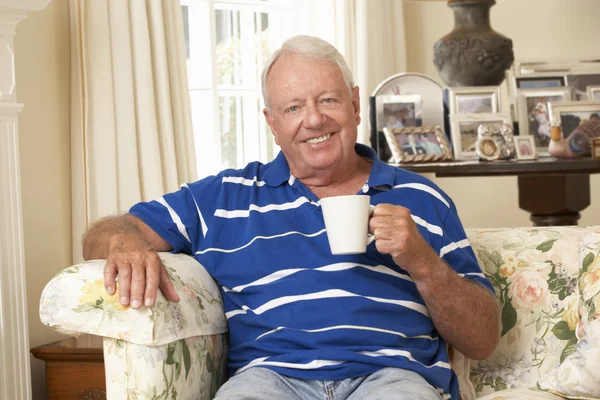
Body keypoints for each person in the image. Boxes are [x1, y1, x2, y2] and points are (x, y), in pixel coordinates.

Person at [82, 35, 500, 400]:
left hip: (392, 378)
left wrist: (423, 263)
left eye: (328, 100)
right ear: (272, 123)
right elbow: (111, 232)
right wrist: (125, 246)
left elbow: (482, 340)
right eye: (294, 107)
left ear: (355, 105)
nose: (314, 119)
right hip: (269, 380)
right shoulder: (226, 197)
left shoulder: (422, 197)